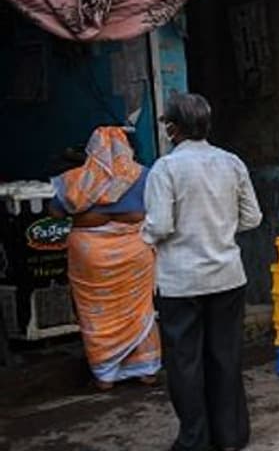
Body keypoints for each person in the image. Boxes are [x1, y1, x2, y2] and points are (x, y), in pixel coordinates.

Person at [143, 94, 261, 451]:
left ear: (173, 129)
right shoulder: (232, 163)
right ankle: (231, 437)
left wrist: (144, 234)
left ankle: (195, 440)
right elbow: (253, 217)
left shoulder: (166, 169)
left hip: (182, 282)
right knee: (225, 357)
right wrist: (219, 230)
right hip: (227, 276)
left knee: (185, 363)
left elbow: (160, 224)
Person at [51, 127, 161, 391]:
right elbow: (158, 209)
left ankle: (105, 375)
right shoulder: (144, 176)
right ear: (128, 148)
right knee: (140, 310)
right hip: (134, 253)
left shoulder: (77, 180)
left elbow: (55, 212)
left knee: (95, 314)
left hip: (90, 257)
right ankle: (146, 370)